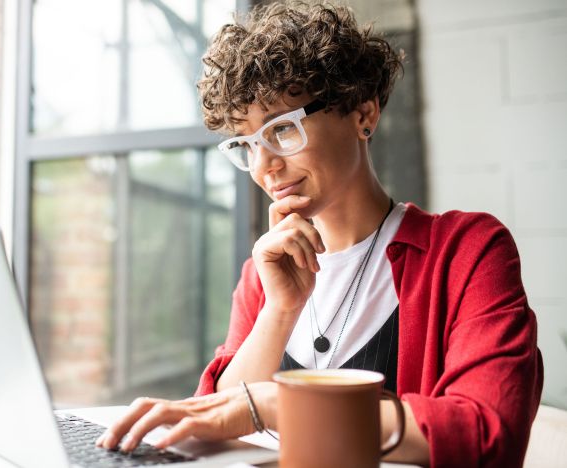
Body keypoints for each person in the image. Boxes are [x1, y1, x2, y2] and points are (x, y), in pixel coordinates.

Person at [96, 2, 543, 466]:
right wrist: (280, 310)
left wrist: (280, 405)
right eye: (247, 144)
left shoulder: (466, 251)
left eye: (282, 130)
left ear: (363, 113)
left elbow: (486, 432)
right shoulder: (262, 274)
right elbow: (214, 419)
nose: (264, 166)